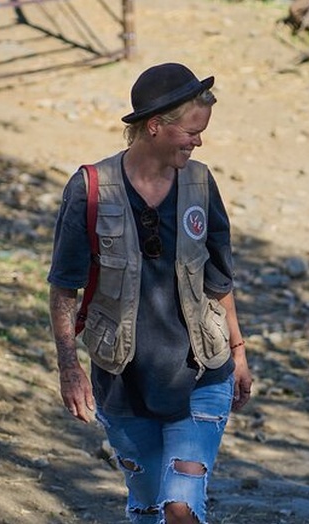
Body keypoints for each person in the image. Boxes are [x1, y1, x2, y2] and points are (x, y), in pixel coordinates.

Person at [47, 62, 253, 524]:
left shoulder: (201, 184)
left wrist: (239, 352)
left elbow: (219, 280)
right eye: (192, 131)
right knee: (145, 508)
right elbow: (64, 288)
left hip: (204, 372)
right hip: (122, 381)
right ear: (155, 126)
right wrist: (69, 369)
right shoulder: (90, 189)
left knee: (180, 507)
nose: (199, 142)